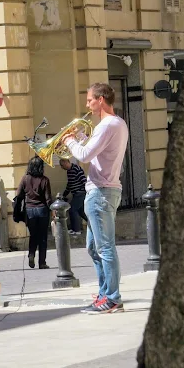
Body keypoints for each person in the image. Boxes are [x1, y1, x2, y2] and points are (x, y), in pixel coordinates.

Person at [62, 82, 129, 314]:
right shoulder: (118, 123)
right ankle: (104, 294)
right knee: (93, 247)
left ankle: (112, 298)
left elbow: (84, 155)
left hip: (100, 191)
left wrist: (68, 141)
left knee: (105, 248)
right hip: (107, 190)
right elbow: (96, 150)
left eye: (90, 100)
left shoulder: (106, 125)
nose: (87, 104)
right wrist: (80, 135)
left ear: (101, 100)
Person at [16, 157, 52, 270]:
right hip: (42, 210)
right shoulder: (45, 180)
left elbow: (19, 195)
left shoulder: (25, 179)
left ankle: (31, 254)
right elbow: (48, 199)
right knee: (43, 237)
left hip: (29, 210)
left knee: (33, 235)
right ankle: (42, 262)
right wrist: (53, 210)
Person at [60, 158, 88, 235]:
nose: (62, 167)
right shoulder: (69, 171)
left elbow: (84, 181)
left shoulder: (77, 169)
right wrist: (64, 194)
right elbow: (69, 184)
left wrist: (86, 191)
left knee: (72, 210)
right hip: (75, 193)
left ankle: (76, 230)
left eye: (62, 165)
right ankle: (92, 224)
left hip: (80, 193)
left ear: (66, 162)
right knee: (81, 211)